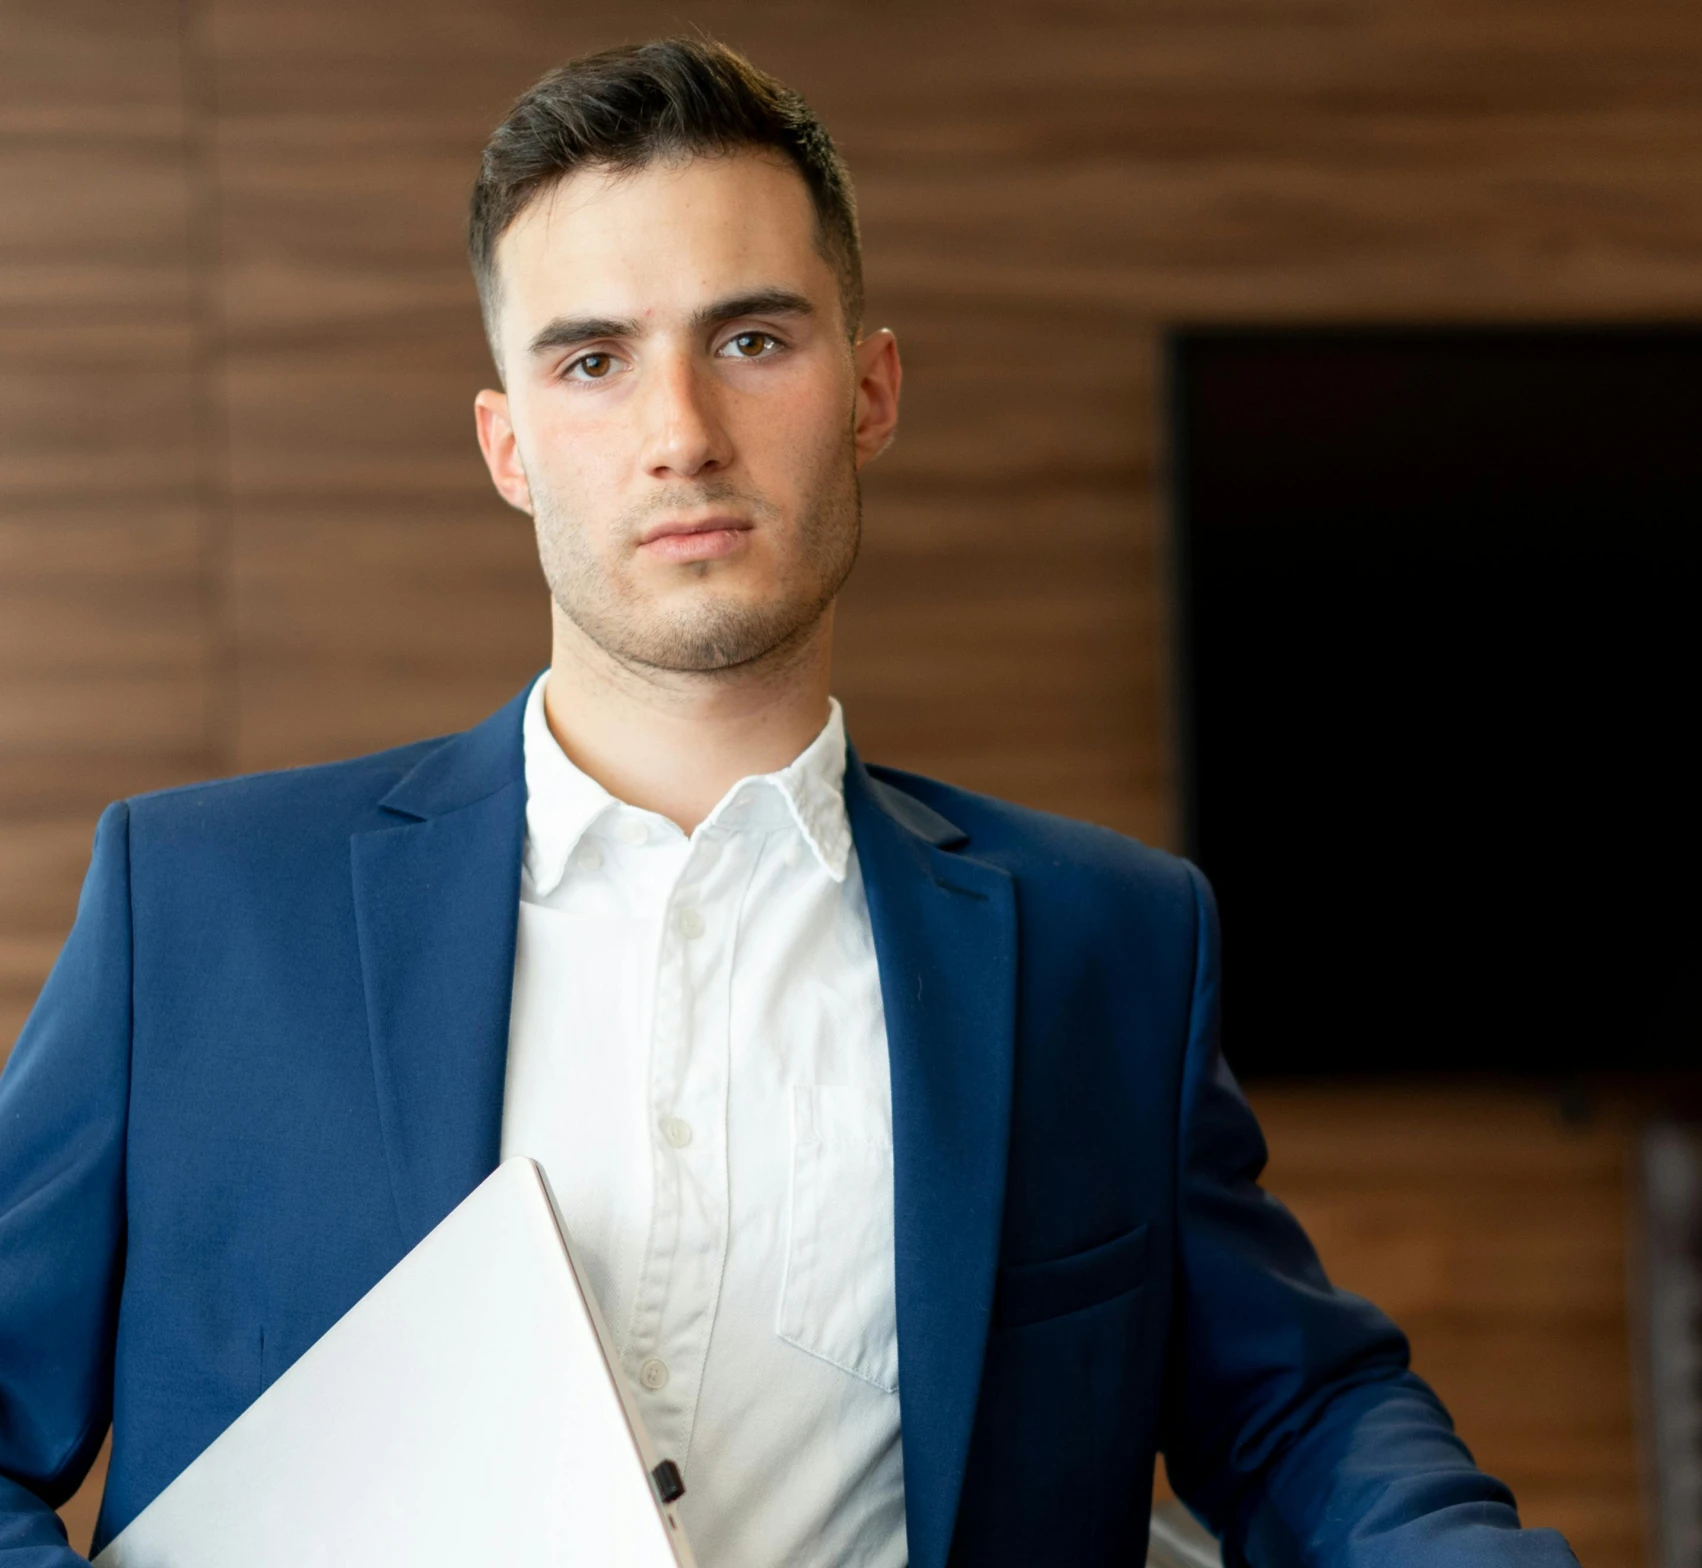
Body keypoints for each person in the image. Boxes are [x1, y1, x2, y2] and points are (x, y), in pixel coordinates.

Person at [0, 38, 1577, 1568]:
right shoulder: (196, 912)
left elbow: (1296, 1415)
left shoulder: (1112, 946)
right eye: (594, 360)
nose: (681, 435)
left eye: (752, 339)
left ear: (873, 391)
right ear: (509, 445)